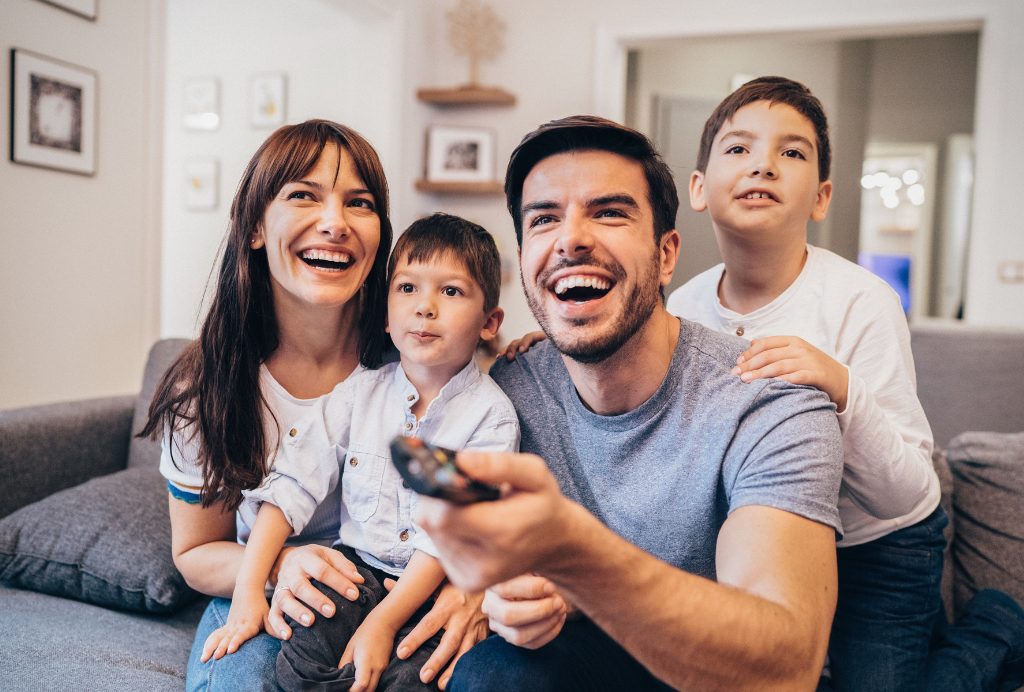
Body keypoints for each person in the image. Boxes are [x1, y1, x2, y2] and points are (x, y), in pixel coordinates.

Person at [414, 115, 847, 692]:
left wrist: (574, 554)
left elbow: (785, 669)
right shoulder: (506, 392)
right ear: (524, 262)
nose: (571, 238)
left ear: (667, 255)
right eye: (544, 219)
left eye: (609, 212)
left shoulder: (769, 404)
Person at [662, 76, 1024, 692]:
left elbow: (904, 490)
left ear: (822, 196)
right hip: (773, 542)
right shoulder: (684, 307)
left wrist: (841, 385)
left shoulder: (864, 302)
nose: (764, 165)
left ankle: (995, 628)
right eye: (739, 148)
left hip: (882, 545)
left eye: (792, 152)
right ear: (698, 188)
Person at [140, 122, 488, 692]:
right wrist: (279, 568)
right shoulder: (207, 389)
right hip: (274, 588)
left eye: (360, 203)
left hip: (399, 585)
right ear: (255, 226)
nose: (335, 222)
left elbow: (478, 486)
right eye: (304, 195)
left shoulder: (420, 356)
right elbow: (197, 551)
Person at [200, 213, 519, 692]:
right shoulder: (359, 395)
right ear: (386, 317)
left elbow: (448, 539)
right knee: (299, 653)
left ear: (490, 322)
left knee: (413, 678)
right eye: (408, 288)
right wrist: (249, 590)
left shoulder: (490, 418)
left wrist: (384, 623)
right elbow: (293, 483)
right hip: (354, 569)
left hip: (432, 588)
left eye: (450, 292)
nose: (425, 307)